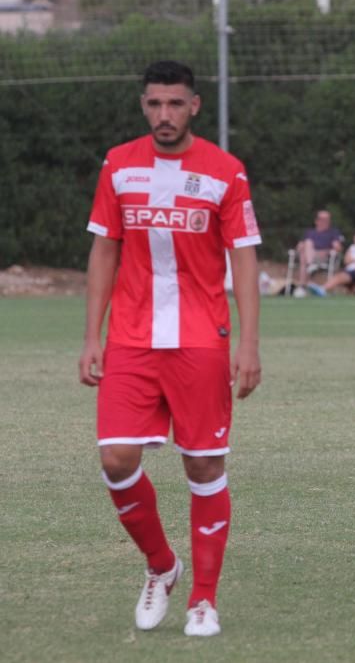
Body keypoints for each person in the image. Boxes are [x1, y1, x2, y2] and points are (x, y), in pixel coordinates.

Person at [77, 60, 261, 637]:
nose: (164, 114)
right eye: (154, 104)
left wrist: (249, 342)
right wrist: (91, 336)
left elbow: (245, 259)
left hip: (202, 340)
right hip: (131, 340)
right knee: (115, 459)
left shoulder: (225, 172)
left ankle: (204, 599)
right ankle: (162, 566)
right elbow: (105, 250)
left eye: (175, 104)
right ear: (143, 106)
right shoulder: (118, 165)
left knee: (203, 463)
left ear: (194, 107)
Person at [293, 209, 344, 298]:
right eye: (323, 219)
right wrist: (301, 246)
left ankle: (302, 286)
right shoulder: (309, 232)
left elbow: (338, 248)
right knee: (307, 246)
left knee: (306, 250)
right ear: (316, 221)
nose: (326, 222)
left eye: (327, 219)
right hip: (308, 255)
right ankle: (310, 266)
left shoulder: (333, 232)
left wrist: (335, 246)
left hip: (324, 256)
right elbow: (299, 246)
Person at [323, 228, 355, 295]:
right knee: (339, 276)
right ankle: (322, 289)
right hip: (351, 271)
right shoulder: (352, 247)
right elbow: (346, 261)